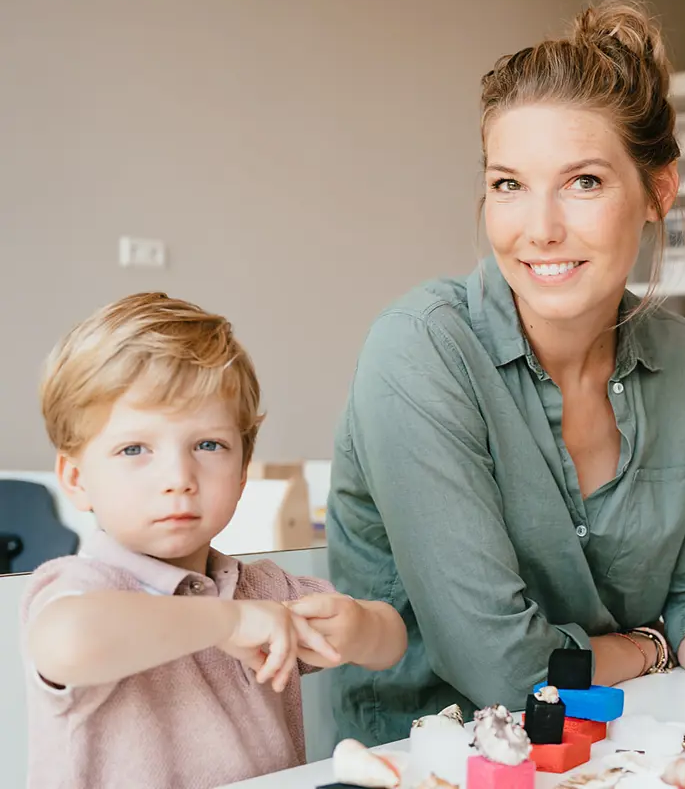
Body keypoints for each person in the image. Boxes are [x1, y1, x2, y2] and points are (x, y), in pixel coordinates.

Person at [325, 0, 685, 746]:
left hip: (621, 745)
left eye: (583, 181)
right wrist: (649, 646)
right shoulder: (421, 352)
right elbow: (504, 669)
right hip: (419, 757)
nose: (539, 227)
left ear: (657, 192)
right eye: (508, 184)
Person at [20, 292, 407, 789]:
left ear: (243, 471)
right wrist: (226, 621)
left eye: (208, 445)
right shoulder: (81, 587)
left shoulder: (261, 591)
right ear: (75, 479)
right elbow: (67, 641)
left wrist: (358, 626)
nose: (178, 476)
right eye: (134, 448)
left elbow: (391, 641)